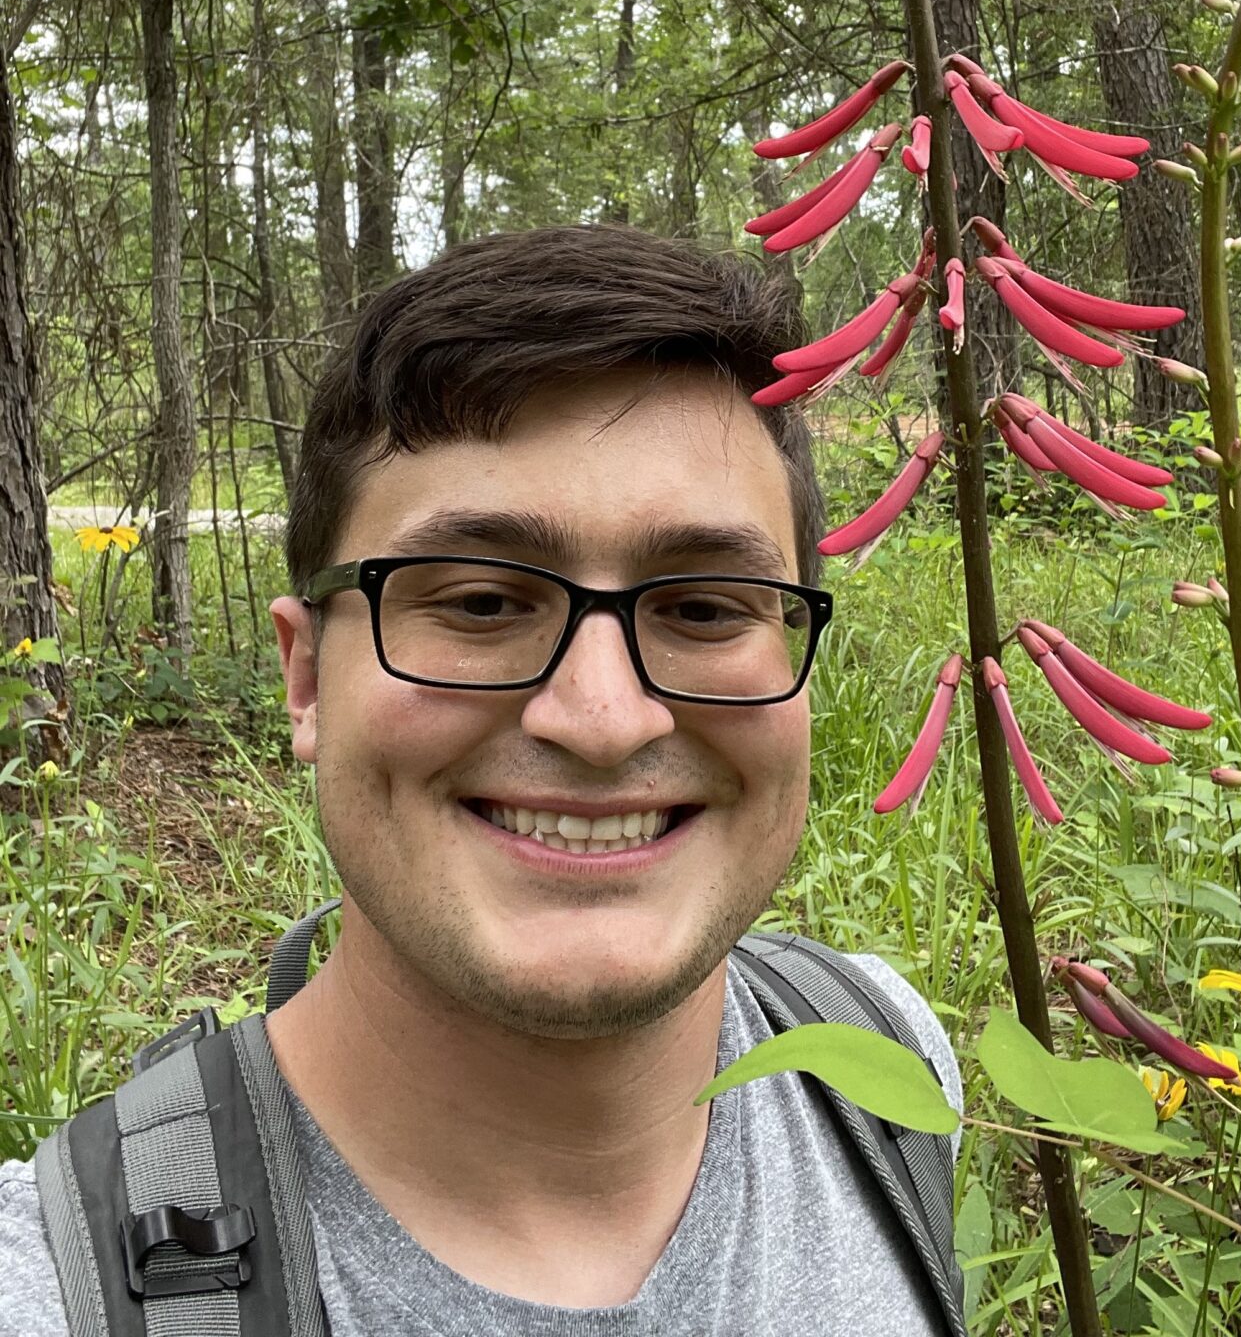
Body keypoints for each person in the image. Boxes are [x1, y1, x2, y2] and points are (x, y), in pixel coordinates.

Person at [1, 224, 963, 1334]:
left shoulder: (885, 1067)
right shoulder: (51, 1297)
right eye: (480, 604)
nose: (603, 721)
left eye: (703, 608)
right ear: (307, 676)